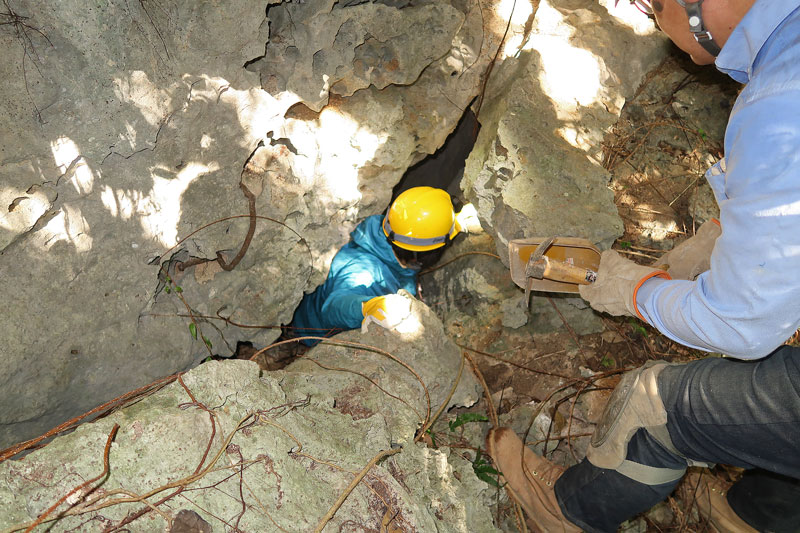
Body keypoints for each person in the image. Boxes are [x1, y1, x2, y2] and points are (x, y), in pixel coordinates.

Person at [486, 1, 800, 532]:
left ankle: (567, 511)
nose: (654, 20)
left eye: (653, 5)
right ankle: (753, 516)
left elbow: (740, 328)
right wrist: (725, 237)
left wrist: (636, 290)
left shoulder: (780, 106)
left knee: (654, 405)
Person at [287, 186, 469, 346]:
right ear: (423, 254)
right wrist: (368, 306)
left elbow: (420, 233)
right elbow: (333, 307)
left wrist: (458, 223)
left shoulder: (395, 235)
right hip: (309, 337)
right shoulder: (364, 272)